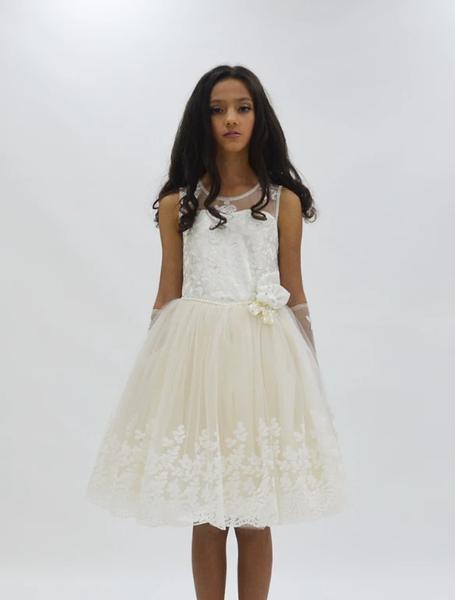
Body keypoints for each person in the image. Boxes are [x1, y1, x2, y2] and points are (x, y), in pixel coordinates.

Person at [86, 64, 346, 600]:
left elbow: (294, 290)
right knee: (206, 513)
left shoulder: (283, 202)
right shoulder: (177, 205)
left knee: (253, 513)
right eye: (218, 109)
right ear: (200, 120)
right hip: (197, 365)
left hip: (263, 363)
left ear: (258, 118)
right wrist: (155, 376)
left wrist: (308, 373)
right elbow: (168, 293)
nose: (231, 119)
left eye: (242, 108)